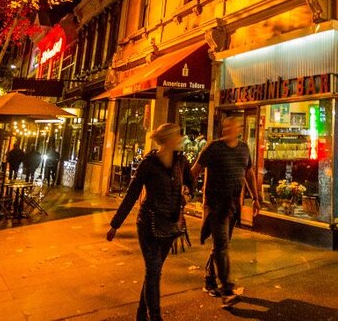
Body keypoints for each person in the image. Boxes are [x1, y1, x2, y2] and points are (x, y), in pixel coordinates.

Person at [107, 123, 193, 321]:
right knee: (153, 272)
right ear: (169, 139)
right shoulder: (149, 163)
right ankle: (155, 317)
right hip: (149, 223)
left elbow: (191, 185)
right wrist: (115, 224)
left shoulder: (181, 161)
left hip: (170, 224)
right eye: (178, 135)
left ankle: (140, 314)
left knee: (153, 273)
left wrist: (186, 198)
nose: (181, 138)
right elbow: (132, 193)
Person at [191, 115, 259, 307]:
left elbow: (249, 172)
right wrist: (185, 191)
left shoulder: (244, 148)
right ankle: (227, 289)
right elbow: (195, 170)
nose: (230, 129)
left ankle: (209, 280)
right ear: (223, 129)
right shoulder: (213, 148)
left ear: (239, 129)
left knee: (221, 245)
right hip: (215, 205)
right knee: (221, 246)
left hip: (233, 205)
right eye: (227, 126)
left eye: (234, 126)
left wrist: (255, 198)